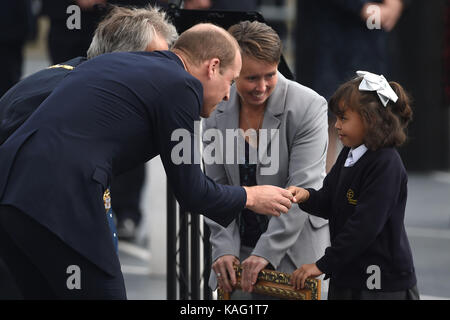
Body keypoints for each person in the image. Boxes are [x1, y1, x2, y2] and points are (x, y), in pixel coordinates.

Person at [0, 23, 293, 299]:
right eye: (230, 81)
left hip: (11, 191)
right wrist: (250, 196)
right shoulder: (182, 86)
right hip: (60, 198)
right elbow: (193, 193)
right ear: (212, 66)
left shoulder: (112, 62)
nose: (229, 95)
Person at [203, 21, 329, 299]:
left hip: (295, 255)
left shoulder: (309, 105)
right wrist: (223, 248)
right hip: (237, 252)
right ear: (232, 72)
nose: (261, 87)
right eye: (250, 78)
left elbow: (302, 191)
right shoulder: (215, 106)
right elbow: (215, 188)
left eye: (270, 75)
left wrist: (265, 252)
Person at [288, 71, 420, 300]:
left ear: (371, 119)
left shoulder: (385, 163)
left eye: (343, 118)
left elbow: (364, 226)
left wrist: (322, 264)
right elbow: (330, 201)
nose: (337, 125)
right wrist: (305, 196)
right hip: (348, 275)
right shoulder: (349, 153)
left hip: (381, 286)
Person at [296, 0, 405, 173]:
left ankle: (364, 187)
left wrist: (395, 4)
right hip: (329, 29)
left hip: (368, 35)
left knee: (370, 109)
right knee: (326, 114)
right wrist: (365, 8)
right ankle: (323, 191)